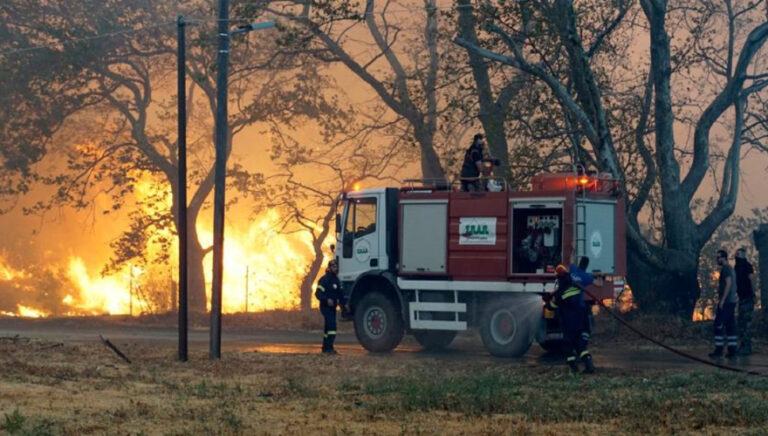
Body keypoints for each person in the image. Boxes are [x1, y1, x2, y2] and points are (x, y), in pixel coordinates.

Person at [545, 264, 595, 374]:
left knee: (568, 346)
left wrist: (547, 302)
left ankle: (573, 369)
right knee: (580, 345)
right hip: (582, 320)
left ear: (559, 278)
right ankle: (589, 366)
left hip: (569, 323)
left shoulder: (560, 293)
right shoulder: (575, 287)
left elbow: (552, 306)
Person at [710, 249, 739, 358]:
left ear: (724, 258)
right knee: (730, 325)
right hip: (732, 301)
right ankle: (732, 350)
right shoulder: (731, 269)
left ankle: (719, 350)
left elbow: (728, 284)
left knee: (718, 324)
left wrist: (722, 300)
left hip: (727, 302)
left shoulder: (726, 269)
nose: (717, 260)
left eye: (718, 258)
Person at [315, 260, 346, 354]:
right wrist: (326, 300)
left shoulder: (336, 280)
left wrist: (344, 305)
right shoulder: (325, 279)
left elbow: (340, 295)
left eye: (336, 267)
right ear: (329, 267)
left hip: (333, 308)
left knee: (328, 328)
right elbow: (318, 293)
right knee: (332, 327)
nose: (335, 268)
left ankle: (325, 348)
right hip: (325, 307)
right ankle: (329, 348)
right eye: (333, 266)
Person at [734, 247, 756, 356]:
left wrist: (753, 294)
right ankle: (743, 345)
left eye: (739, 254)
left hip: (747, 298)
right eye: (737, 254)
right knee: (741, 322)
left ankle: (746, 347)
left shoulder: (747, 266)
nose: (737, 256)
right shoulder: (737, 267)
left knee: (746, 323)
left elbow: (752, 279)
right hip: (742, 298)